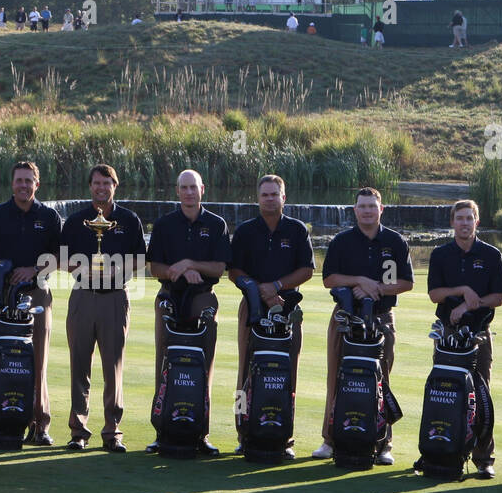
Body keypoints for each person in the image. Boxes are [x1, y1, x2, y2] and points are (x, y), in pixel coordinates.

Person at [315, 186, 413, 464]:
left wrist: (377, 288)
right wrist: (359, 281)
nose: (367, 211)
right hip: (346, 318)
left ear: (381, 209)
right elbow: (329, 279)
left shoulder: (394, 242)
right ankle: (330, 439)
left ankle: (383, 444)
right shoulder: (342, 241)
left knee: (382, 380)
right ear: (355, 210)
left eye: (372, 206)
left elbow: (405, 283)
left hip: (381, 318)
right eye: (362, 206)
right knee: (336, 376)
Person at [59, 165, 147, 452]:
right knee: (79, 366)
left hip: (114, 298)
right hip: (83, 296)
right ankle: (78, 431)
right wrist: (88, 266)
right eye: (96, 183)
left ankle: (112, 431)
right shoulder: (75, 221)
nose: (101, 188)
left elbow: (140, 260)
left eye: (106, 183)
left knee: (113, 367)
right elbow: (62, 260)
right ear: (90, 186)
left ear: (115, 186)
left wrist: (114, 268)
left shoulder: (128, 219)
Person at [0, 161, 63, 445]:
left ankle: (40, 424)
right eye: (19, 180)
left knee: (37, 361)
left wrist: (33, 271)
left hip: (36, 294)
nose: (23, 185)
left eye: (29, 181)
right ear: (12, 183)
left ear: (37, 185)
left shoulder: (49, 216)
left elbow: (58, 258)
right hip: (0, 294)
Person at [229, 175, 315, 456]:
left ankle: (283, 436)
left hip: (286, 310)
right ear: (258, 198)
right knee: (245, 371)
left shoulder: (297, 230)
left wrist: (277, 287)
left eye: (274, 194)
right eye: (264, 194)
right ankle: (244, 433)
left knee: (288, 373)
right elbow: (235, 271)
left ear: (283, 197)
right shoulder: (245, 231)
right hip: (252, 310)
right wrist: (259, 290)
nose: (269, 198)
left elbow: (307, 270)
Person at [146, 170, 231, 455]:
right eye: (184, 188)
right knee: (165, 363)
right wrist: (176, 270)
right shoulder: (164, 224)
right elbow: (155, 267)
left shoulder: (217, 224)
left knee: (203, 366)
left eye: (193, 187)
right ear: (177, 191)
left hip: (203, 299)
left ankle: (201, 432)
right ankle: (162, 430)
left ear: (202, 190)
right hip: (169, 297)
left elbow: (219, 268)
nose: (189, 192)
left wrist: (188, 264)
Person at [426, 200, 502, 476]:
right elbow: (435, 295)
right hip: (447, 335)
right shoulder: (440, 254)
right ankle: (439, 451)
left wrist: (467, 305)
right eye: (459, 218)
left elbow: (498, 297)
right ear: (452, 222)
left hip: (480, 335)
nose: (464, 223)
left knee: (481, 395)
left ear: (477, 222)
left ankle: (483, 458)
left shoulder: (491, 254)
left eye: (469, 218)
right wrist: (462, 290)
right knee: (445, 394)